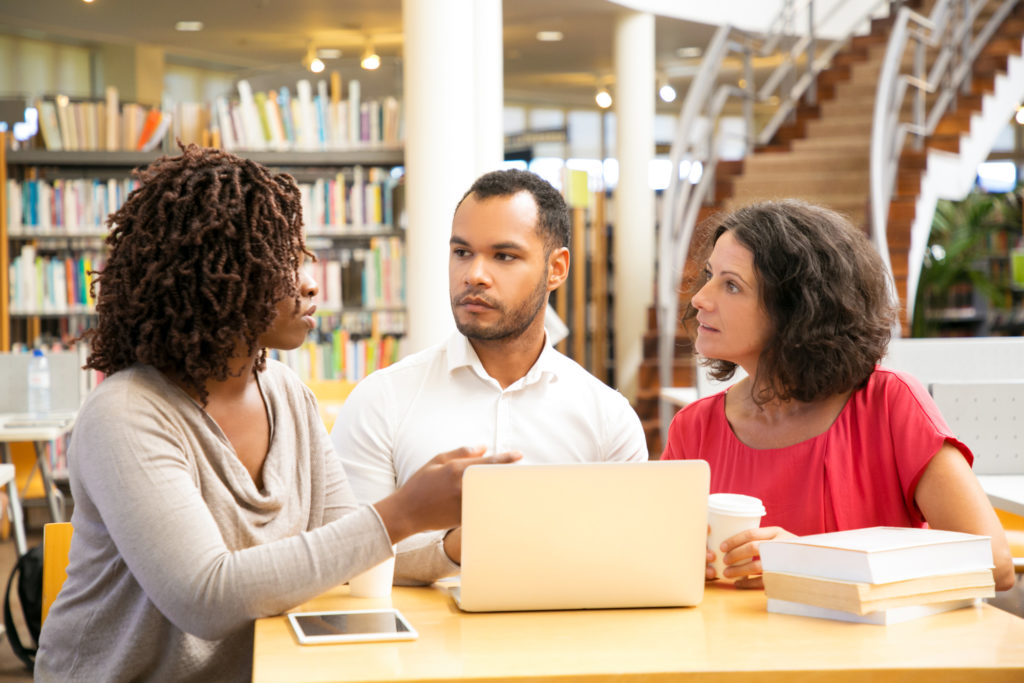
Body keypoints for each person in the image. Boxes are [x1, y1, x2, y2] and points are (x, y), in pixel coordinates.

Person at [35, 145, 519, 681]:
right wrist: (403, 511)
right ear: (210, 273)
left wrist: (453, 543)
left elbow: (349, 549)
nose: (311, 282)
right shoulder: (127, 414)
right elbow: (206, 597)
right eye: (282, 260)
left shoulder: (287, 394)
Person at [661, 199, 1014, 591]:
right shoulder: (693, 428)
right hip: (733, 648)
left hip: (868, 650)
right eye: (709, 275)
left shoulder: (889, 403)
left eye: (731, 285)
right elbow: (657, 555)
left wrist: (810, 560)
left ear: (797, 308)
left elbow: (994, 564)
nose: (700, 299)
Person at [331, 169, 648, 585]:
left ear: (556, 269)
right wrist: (456, 547)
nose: (474, 274)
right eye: (462, 252)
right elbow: (343, 563)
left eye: (504, 256)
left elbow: (633, 562)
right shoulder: (382, 399)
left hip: (564, 644)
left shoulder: (608, 416)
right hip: (419, 647)